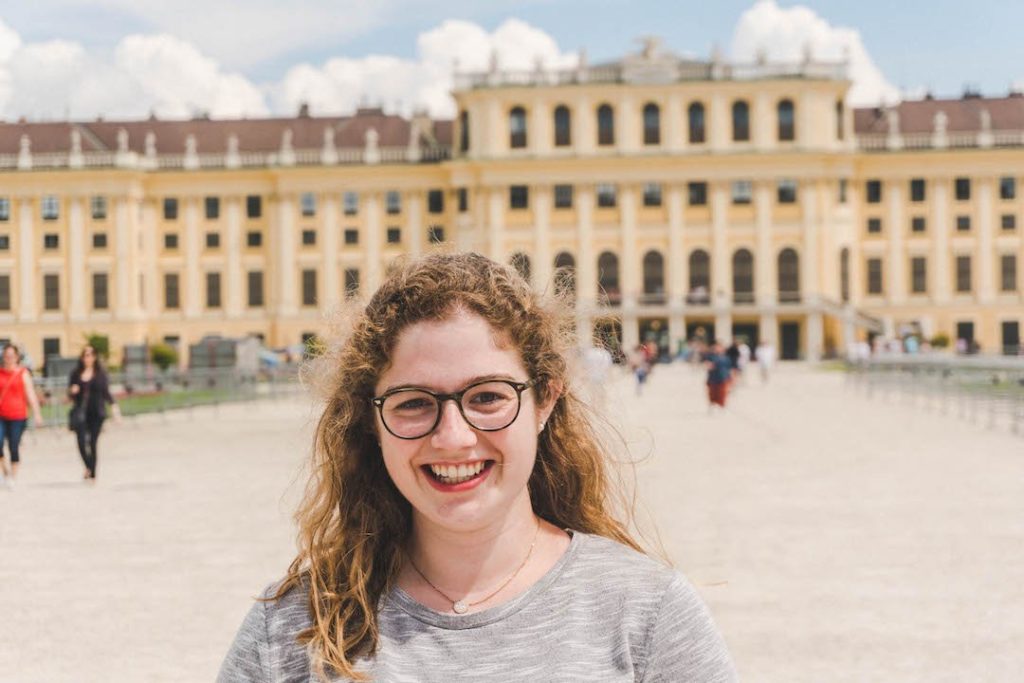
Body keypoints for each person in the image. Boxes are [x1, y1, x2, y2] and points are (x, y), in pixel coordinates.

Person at [218, 253, 736, 682]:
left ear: (545, 401)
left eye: (487, 396)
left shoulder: (646, 615)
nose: (453, 437)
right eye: (413, 402)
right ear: (371, 421)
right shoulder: (292, 631)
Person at [67, 345, 120, 481]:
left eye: (90, 355)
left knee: (92, 443)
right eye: (85, 355)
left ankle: (93, 473)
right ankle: (88, 466)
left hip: (97, 412)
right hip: (81, 412)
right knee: (80, 442)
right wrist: (72, 391)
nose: (87, 358)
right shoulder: (76, 373)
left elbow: (106, 392)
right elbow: (70, 395)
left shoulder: (100, 374)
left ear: (94, 357)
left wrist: (114, 407)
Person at [0, 344, 45, 487]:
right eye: (6, 356)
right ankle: (5, 472)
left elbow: (30, 394)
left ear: (17, 357)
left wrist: (37, 413)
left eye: (11, 356)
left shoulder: (23, 373)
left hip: (18, 416)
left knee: (14, 445)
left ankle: (13, 476)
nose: (9, 359)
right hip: (1, 414)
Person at [705, 340, 733, 411]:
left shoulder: (726, 357)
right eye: (717, 347)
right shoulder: (710, 356)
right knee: (712, 393)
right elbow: (707, 365)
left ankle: (721, 406)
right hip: (713, 377)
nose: (718, 349)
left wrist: (730, 378)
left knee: (722, 393)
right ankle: (712, 405)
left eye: (720, 347)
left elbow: (729, 368)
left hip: (723, 377)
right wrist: (710, 365)